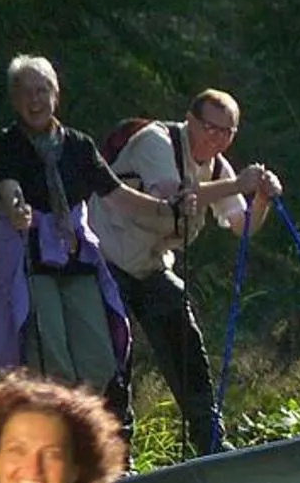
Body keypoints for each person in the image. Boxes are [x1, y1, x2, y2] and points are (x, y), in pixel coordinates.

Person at [92, 89, 285, 455]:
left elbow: (242, 226)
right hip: (106, 259)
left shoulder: (217, 167)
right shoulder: (155, 141)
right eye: (211, 128)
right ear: (191, 121)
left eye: (228, 132)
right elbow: (172, 195)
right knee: (115, 357)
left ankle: (209, 438)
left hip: (149, 266)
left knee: (185, 341)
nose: (217, 139)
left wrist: (260, 199)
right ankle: (117, 455)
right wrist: (238, 185)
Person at [0, 55, 188, 393]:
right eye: (26, 92)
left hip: (75, 257)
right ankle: (57, 436)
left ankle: (82, 427)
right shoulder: (6, 145)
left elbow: (118, 195)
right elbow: (8, 188)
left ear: (55, 94)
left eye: (42, 91)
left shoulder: (78, 145)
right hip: (31, 261)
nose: (35, 101)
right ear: (14, 100)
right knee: (52, 360)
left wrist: (169, 210)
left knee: (100, 362)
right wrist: (18, 210)